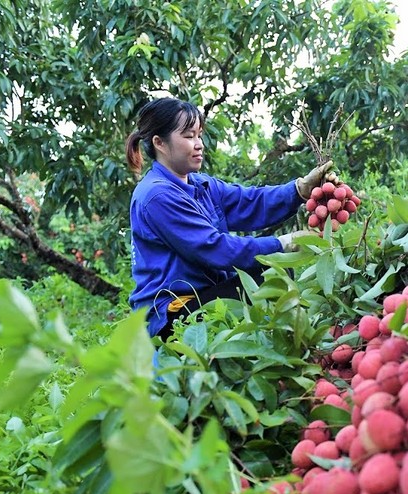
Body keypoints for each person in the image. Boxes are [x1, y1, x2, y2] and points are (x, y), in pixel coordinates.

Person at [126, 97, 335, 340]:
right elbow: (215, 248)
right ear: (160, 143)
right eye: (188, 136)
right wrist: (283, 244)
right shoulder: (156, 196)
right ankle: (284, 344)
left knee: (271, 276)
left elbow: (251, 202)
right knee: (272, 276)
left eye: (199, 135)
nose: (198, 144)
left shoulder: (201, 185)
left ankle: (281, 344)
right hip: (174, 314)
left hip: (206, 296)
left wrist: (299, 190)